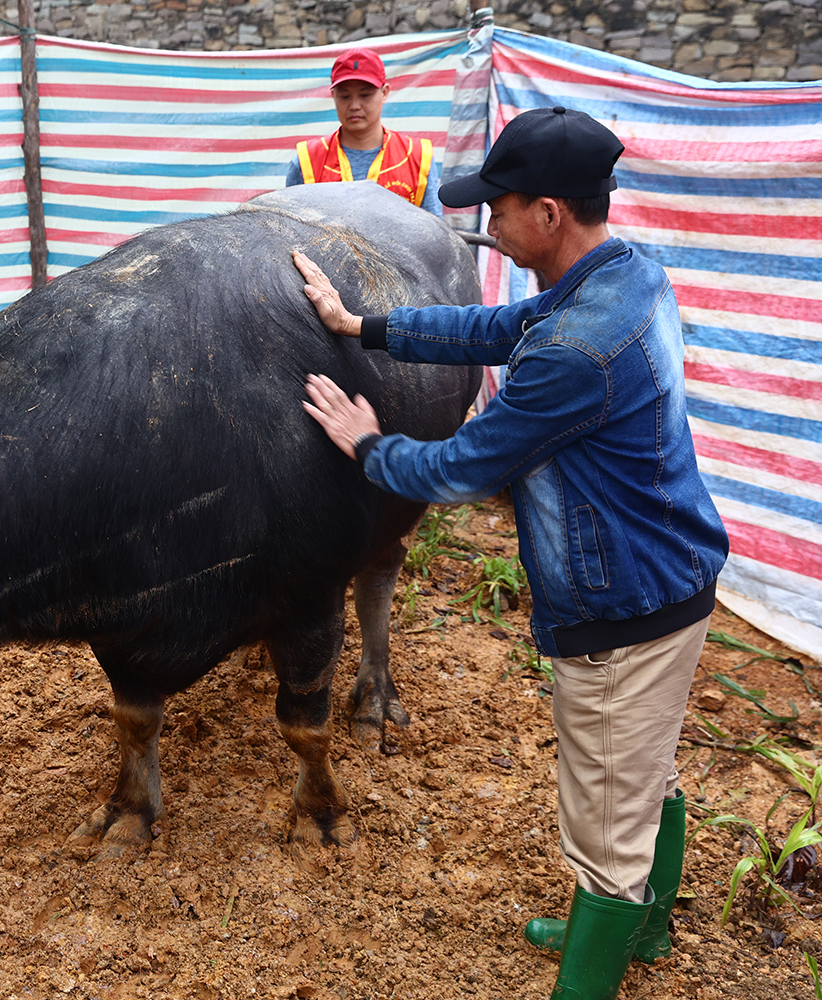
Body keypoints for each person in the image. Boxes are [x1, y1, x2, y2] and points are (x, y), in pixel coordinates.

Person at [293, 106, 728, 1000]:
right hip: (675, 577)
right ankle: (642, 933)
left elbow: (458, 468)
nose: (486, 220)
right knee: (649, 773)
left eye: (500, 203)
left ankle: (599, 953)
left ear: (549, 215)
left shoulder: (574, 353)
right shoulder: (624, 276)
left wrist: (368, 443)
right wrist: (360, 325)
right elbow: (496, 330)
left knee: (604, 819)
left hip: (623, 610)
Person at [285, 47, 443, 217]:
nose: (354, 106)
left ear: (384, 93)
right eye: (345, 96)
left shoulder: (417, 157)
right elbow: (290, 232)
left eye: (365, 95)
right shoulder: (307, 160)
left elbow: (434, 233)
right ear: (333, 96)